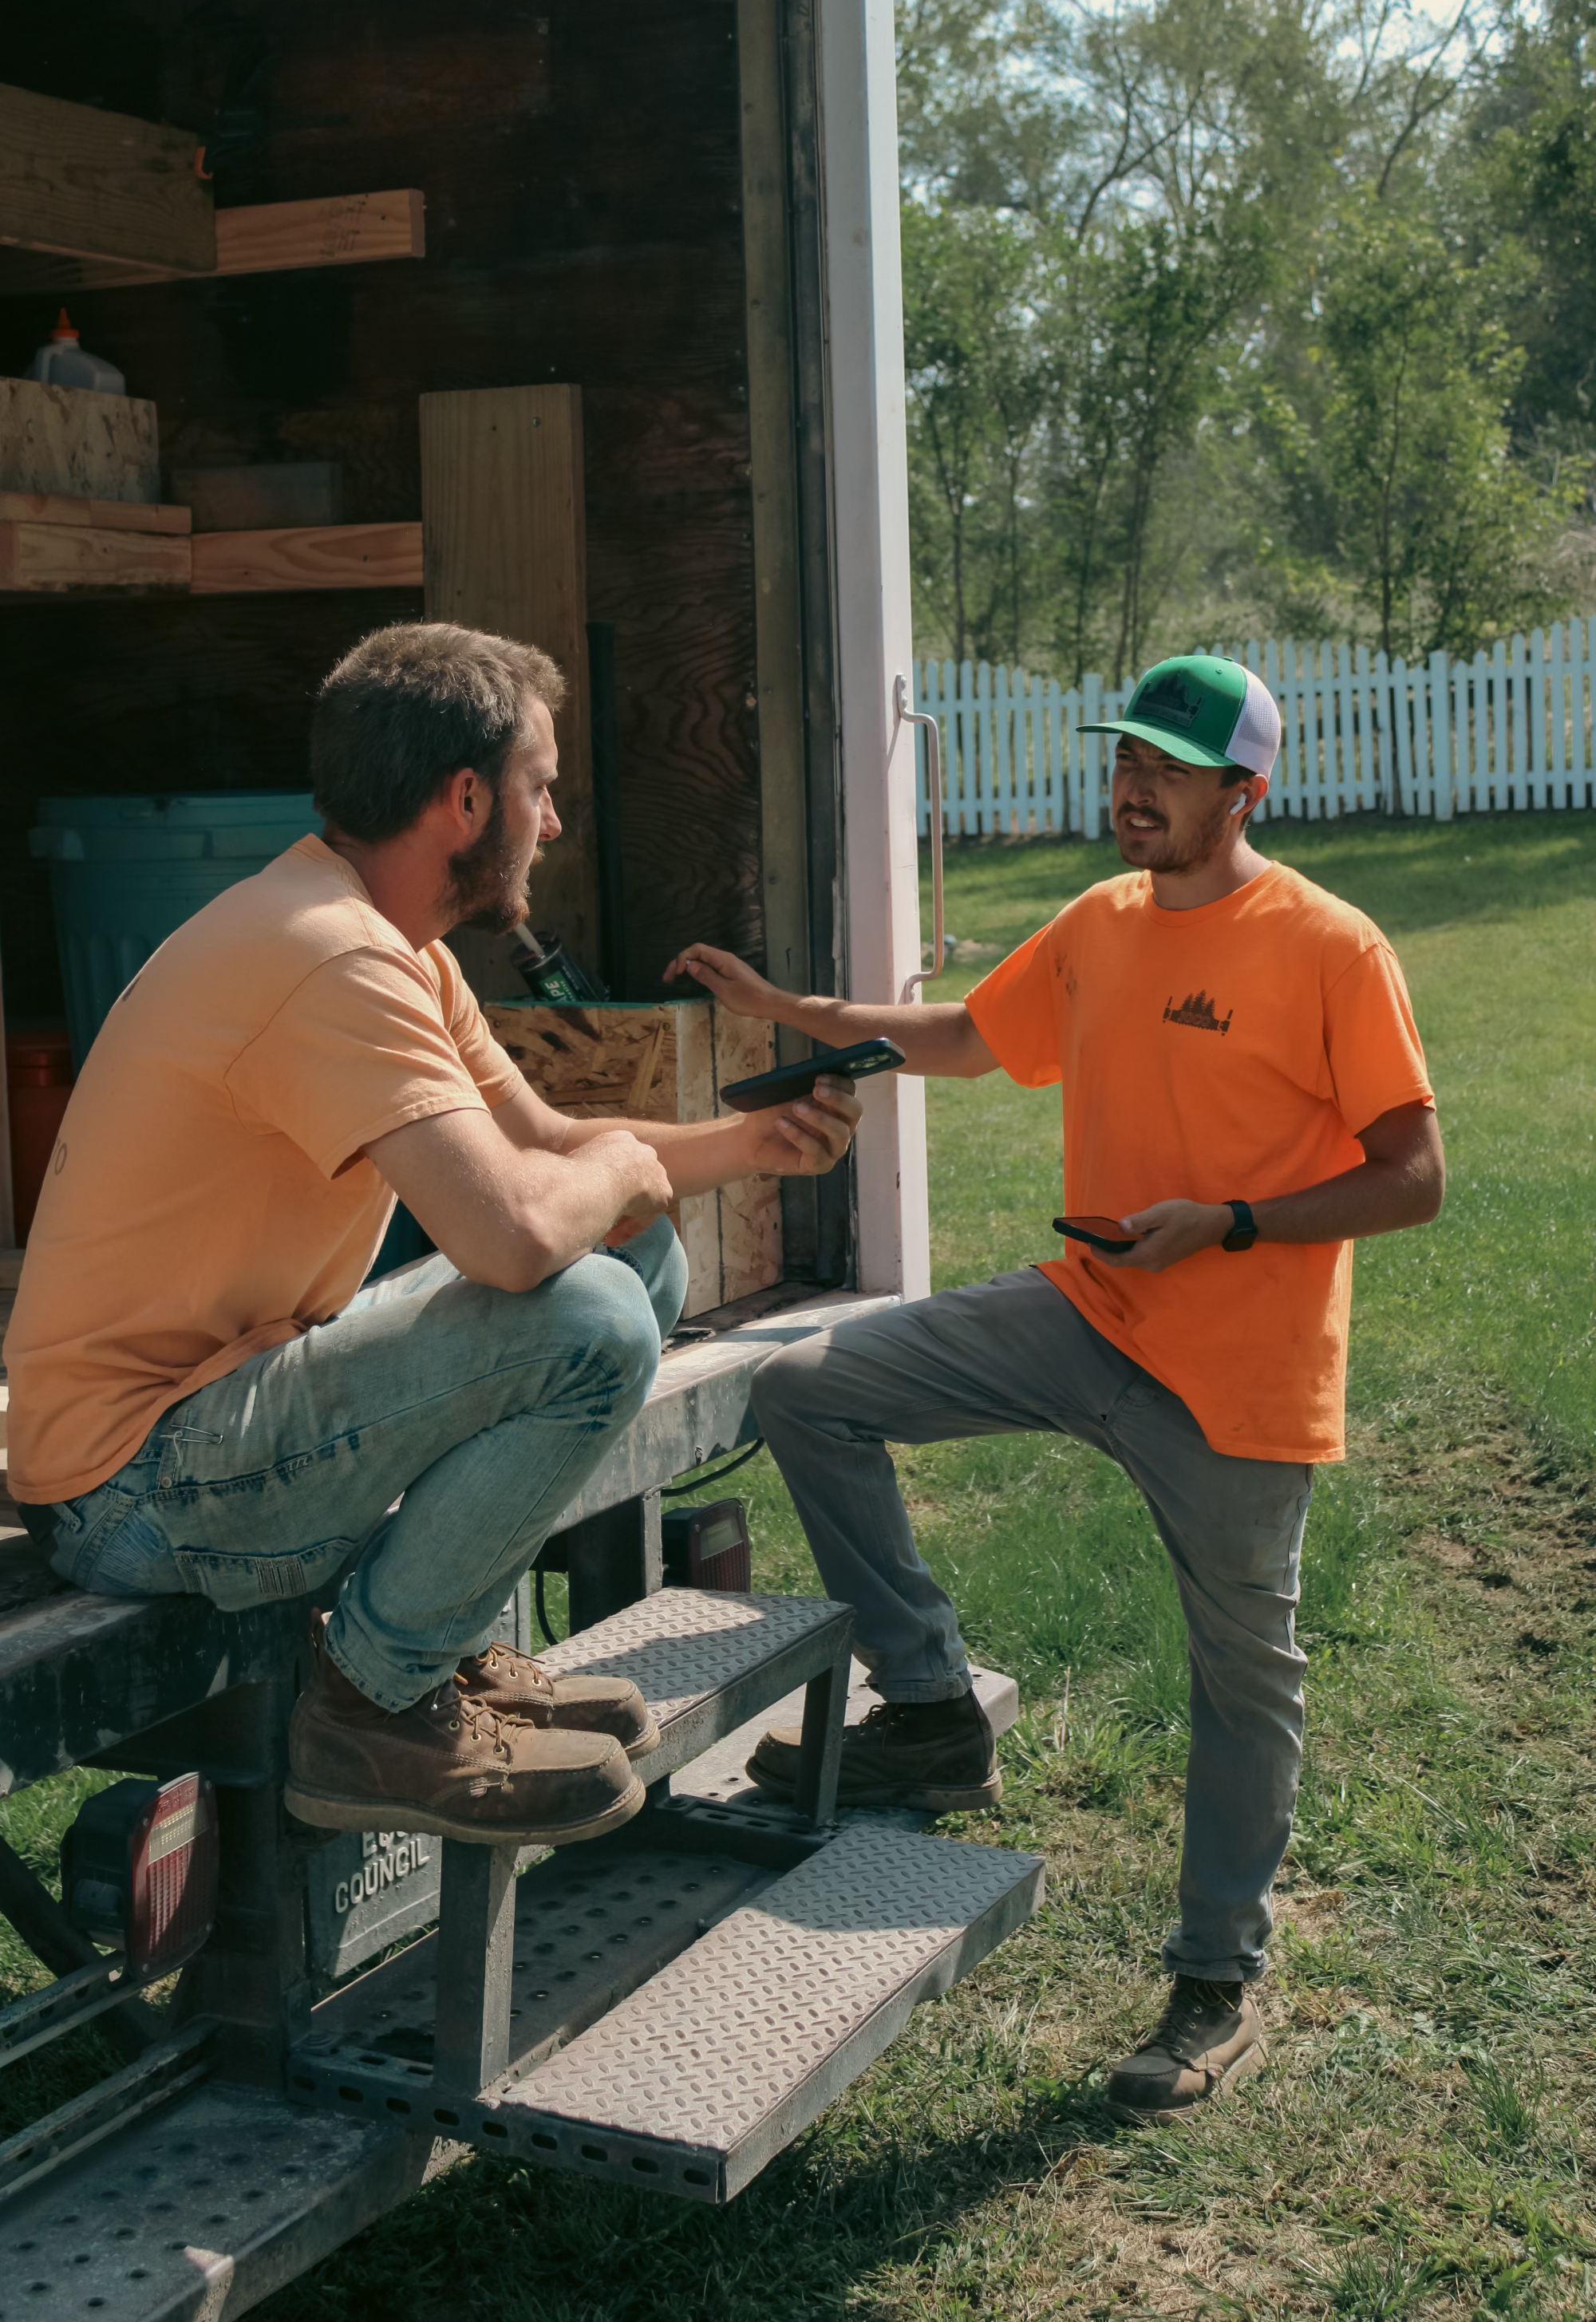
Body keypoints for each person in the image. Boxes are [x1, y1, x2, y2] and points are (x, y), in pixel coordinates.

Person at [665, 653, 1444, 2121]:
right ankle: (933, 1710)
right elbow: (972, 1037)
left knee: (1244, 1678)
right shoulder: (1101, 924)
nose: (1131, 786)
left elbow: (1415, 1177)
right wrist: (794, 1008)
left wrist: (1230, 1225)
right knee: (807, 1389)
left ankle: (1216, 1979)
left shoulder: (1331, 945)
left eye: (1167, 767)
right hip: (1089, 1309)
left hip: (1238, 1376)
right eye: (1125, 757)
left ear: (1244, 793)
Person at [5, 622, 860, 1850]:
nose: (554, 821)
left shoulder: (381, 937)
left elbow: (553, 1150)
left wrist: (747, 1147)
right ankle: (370, 1699)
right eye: (541, 786)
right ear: (466, 799)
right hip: (131, 1483)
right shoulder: (329, 959)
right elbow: (514, 1243)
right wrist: (622, 1169)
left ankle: (427, 1648)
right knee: (591, 1309)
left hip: (220, 1407)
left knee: (631, 1253)